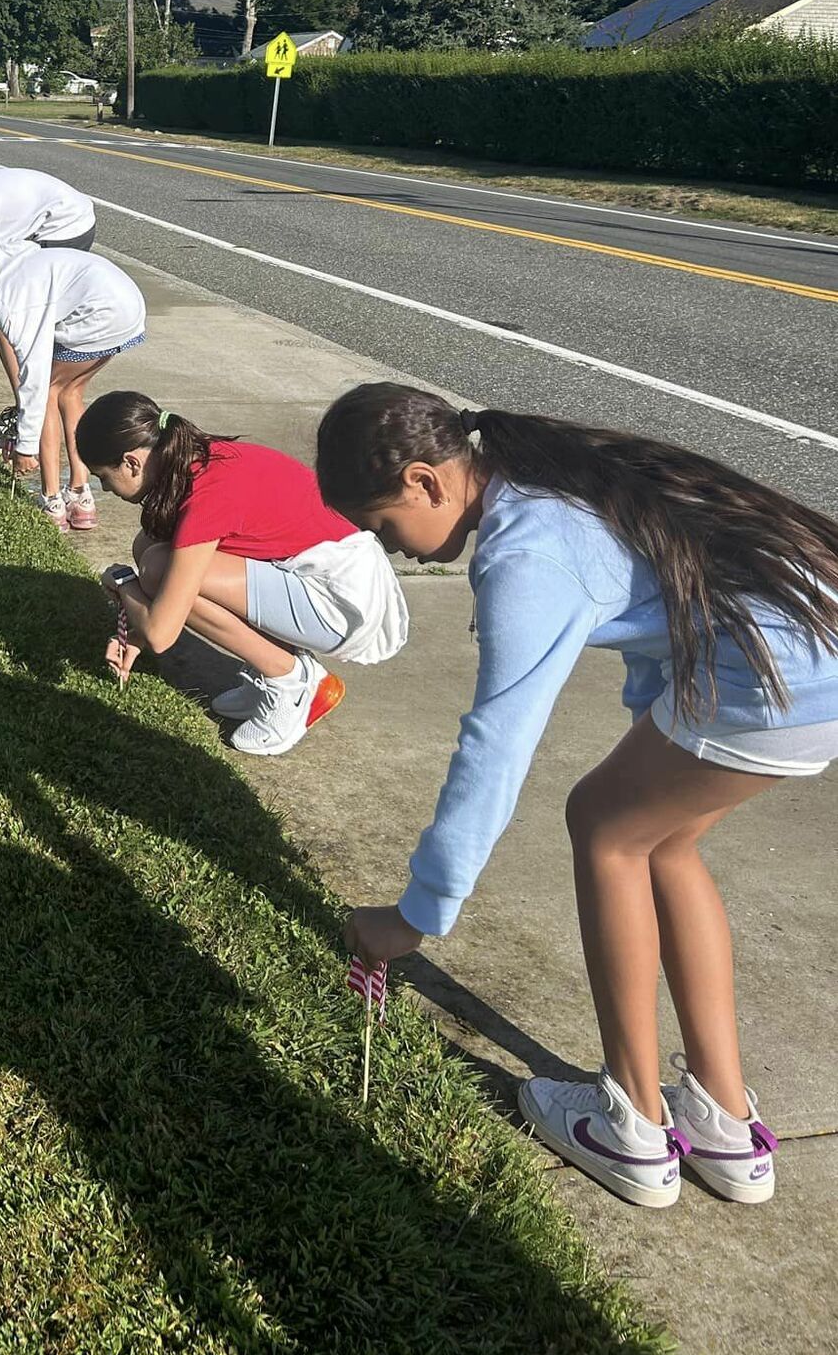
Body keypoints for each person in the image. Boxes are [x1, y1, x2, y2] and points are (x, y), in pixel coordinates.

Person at [316, 383, 838, 1211]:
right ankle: (725, 1121)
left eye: (383, 527)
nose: (397, 551)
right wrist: (649, 728)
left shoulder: (522, 553)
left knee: (603, 826)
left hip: (782, 677)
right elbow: (661, 608)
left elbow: (495, 747)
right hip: (816, 657)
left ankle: (629, 1124)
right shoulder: (544, 472)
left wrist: (416, 915)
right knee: (662, 841)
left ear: (425, 481)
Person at [78, 392, 407, 755]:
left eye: (104, 478)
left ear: (131, 463)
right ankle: (278, 666)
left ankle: (289, 679)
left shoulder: (207, 495)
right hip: (320, 577)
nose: (106, 489)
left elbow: (160, 635)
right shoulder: (193, 458)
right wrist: (133, 639)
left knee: (158, 569)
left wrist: (125, 584)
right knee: (150, 546)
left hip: (342, 603)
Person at [0, 243, 144, 530]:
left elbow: (33, 380)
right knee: (69, 392)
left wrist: (25, 447)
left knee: (48, 391)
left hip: (100, 314)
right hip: (124, 305)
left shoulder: (11, 304)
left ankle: (52, 501)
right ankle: (80, 494)